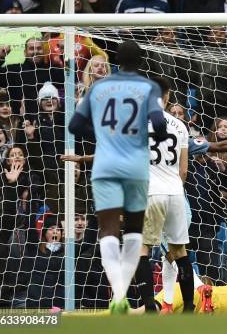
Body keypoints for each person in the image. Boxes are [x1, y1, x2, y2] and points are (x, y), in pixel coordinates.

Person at [68, 40, 168, 314]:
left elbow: (75, 125)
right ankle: (124, 291)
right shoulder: (149, 87)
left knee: (108, 230)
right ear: (141, 61)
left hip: (105, 165)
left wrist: (103, 135)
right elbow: (160, 124)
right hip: (135, 166)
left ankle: (119, 295)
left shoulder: (99, 87)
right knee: (134, 229)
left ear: (116, 60)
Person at [132, 77, 194, 313]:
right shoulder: (180, 126)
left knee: (142, 248)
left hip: (151, 192)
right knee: (179, 252)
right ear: (167, 98)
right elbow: (184, 170)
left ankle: (149, 306)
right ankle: (188, 308)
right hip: (176, 192)